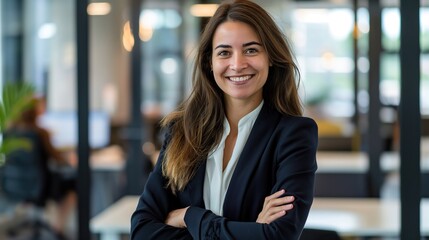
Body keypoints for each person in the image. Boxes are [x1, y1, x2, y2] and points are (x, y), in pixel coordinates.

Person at [130, 1, 318, 239]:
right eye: (224, 52)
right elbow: (142, 230)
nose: (237, 64)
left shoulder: (294, 134)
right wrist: (251, 230)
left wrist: (189, 217)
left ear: (270, 56)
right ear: (210, 62)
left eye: (251, 50)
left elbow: (279, 236)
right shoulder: (181, 131)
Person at [5, 97, 77, 237]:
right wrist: (69, 158)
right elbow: (58, 158)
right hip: (39, 189)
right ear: (34, 112)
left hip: (14, 188)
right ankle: (58, 228)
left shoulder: (9, 133)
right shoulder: (39, 133)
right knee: (72, 185)